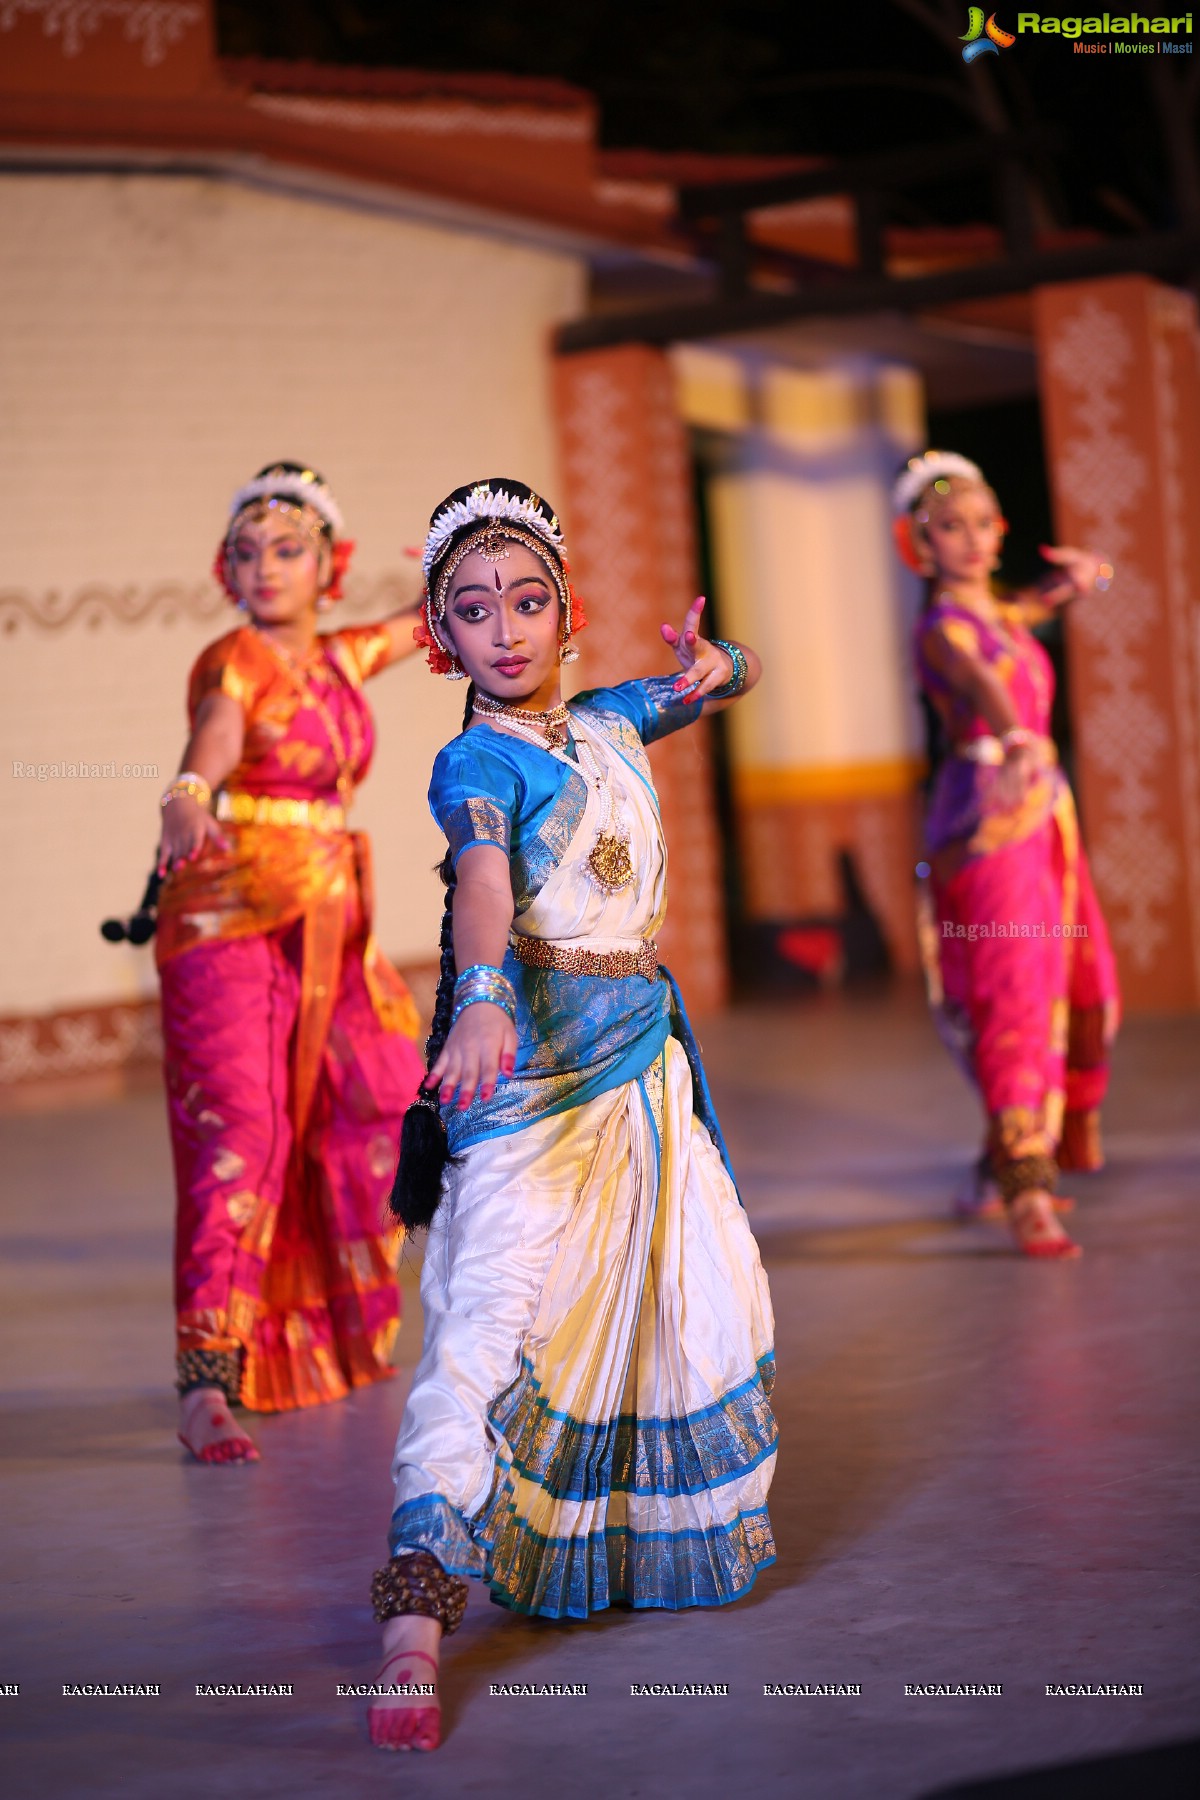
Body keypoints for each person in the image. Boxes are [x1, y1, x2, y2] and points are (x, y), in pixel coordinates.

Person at [366, 480, 777, 1753]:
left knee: (691, 1304)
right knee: (487, 1327)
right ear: (442, 637)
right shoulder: (474, 761)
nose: (505, 629)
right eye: (473, 611)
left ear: (567, 612)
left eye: (527, 601)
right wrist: (479, 1001)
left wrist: (729, 661)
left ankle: (609, 1549)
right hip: (530, 1085)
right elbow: (481, 881)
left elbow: (722, 682)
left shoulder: (608, 721)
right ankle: (414, 1625)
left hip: (643, 1072)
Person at [156, 462, 427, 1463]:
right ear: (226, 572)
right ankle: (209, 1380)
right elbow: (217, 734)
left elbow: (439, 620)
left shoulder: (343, 659)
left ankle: (327, 1329)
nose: (264, 567)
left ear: (329, 565)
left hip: (329, 919)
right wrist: (188, 791)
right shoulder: (234, 658)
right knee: (247, 1132)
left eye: (287, 549)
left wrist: (481, 553)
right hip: (226, 915)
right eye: (246, 552)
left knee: (385, 1101)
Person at [896, 451, 1120, 1258]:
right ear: (919, 544)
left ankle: (999, 1167)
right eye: (950, 527)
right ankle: (1027, 1189)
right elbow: (981, 681)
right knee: (1015, 987)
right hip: (986, 818)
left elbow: (1045, 599)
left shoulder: (1003, 615)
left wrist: (1092, 575)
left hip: (1043, 815)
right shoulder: (945, 628)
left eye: (984, 523)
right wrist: (1020, 735)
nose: (972, 539)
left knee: (1071, 980)